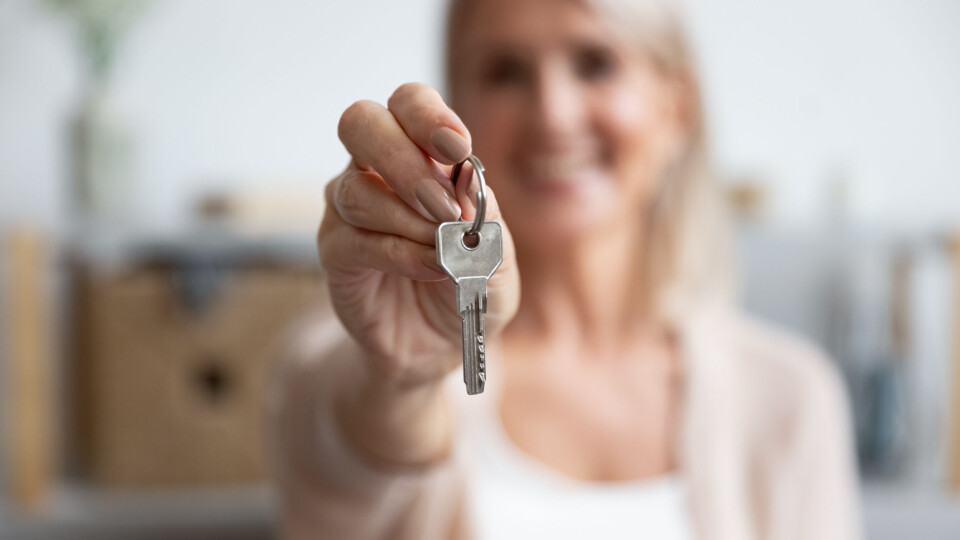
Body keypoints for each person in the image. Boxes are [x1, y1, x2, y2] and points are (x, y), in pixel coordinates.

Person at [268, 0, 861, 538]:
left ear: (676, 108)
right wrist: (401, 382)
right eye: (505, 71)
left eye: (595, 63)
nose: (553, 114)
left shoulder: (791, 396)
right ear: (461, 107)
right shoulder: (348, 362)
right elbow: (339, 475)